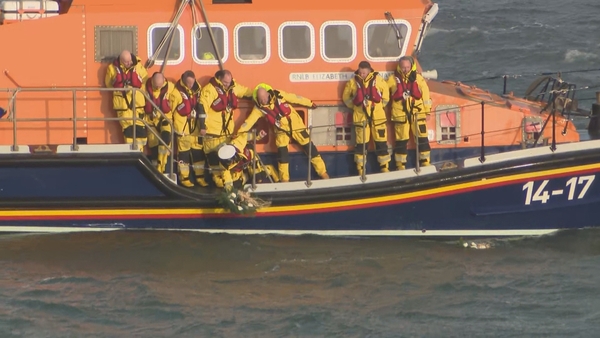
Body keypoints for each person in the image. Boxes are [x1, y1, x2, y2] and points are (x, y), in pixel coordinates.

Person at [232, 83, 329, 182]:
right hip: (280, 132)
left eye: (264, 98)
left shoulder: (278, 94)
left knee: (311, 149)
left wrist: (309, 103)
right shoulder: (258, 108)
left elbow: (294, 98)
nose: (263, 101)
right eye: (260, 99)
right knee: (282, 157)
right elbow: (248, 122)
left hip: (296, 126)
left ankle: (323, 173)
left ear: (267, 94)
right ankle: (284, 180)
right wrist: (239, 133)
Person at [200, 69, 253, 187]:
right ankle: (227, 188)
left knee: (230, 166)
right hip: (212, 136)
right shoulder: (209, 90)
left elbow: (245, 92)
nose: (227, 85)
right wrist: (202, 126)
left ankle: (237, 184)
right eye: (225, 82)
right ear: (218, 79)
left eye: (228, 82)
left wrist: (258, 94)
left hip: (226, 135)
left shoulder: (233, 87)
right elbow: (201, 107)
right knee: (217, 174)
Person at [342, 61, 390, 175]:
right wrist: (354, 107)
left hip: (378, 117)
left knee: (381, 143)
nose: (362, 74)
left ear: (369, 71)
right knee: (361, 145)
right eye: (360, 72)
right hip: (360, 118)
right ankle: (360, 168)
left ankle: (384, 167)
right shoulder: (352, 82)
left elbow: (386, 96)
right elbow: (346, 98)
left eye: (364, 72)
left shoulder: (379, 80)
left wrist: (379, 107)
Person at [387, 56, 432, 169]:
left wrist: (427, 112)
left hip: (418, 114)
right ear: (399, 67)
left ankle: (425, 162)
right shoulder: (392, 79)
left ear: (411, 66)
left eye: (407, 67)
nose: (405, 69)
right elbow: (383, 93)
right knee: (401, 141)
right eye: (403, 67)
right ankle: (400, 165)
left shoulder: (419, 79)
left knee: (422, 138)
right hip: (400, 115)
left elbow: (426, 96)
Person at [104, 50, 148, 151]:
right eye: (126, 62)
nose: (129, 63)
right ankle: (132, 153)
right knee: (128, 132)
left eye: (130, 61)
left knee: (140, 131)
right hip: (123, 106)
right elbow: (108, 84)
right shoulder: (112, 69)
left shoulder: (138, 66)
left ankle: (140, 152)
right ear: (121, 61)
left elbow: (145, 79)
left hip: (137, 105)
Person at [143, 72, 183, 173]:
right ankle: (155, 170)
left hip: (165, 118)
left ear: (164, 81)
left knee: (166, 138)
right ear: (152, 80)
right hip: (150, 121)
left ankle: (163, 165)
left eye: (159, 85)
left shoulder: (170, 87)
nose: (157, 87)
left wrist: (171, 105)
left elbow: (177, 99)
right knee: (154, 146)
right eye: (155, 85)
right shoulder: (144, 86)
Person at [174, 70, 206, 187]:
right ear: (183, 80)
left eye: (192, 83)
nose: (190, 85)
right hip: (183, 128)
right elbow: (171, 111)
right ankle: (184, 178)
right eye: (188, 83)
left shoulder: (197, 89)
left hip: (195, 127)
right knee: (184, 154)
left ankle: (200, 177)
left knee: (198, 153)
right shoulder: (176, 93)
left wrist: (202, 125)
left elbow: (200, 107)